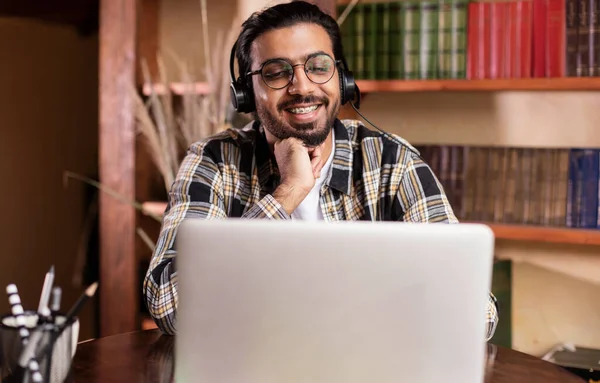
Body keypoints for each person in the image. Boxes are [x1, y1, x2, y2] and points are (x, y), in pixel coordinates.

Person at [143, 0, 498, 340]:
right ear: (246, 95)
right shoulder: (213, 160)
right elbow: (168, 305)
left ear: (340, 78)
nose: (302, 87)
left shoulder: (394, 162)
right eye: (276, 73)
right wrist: (287, 194)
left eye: (317, 66)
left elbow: (477, 315)